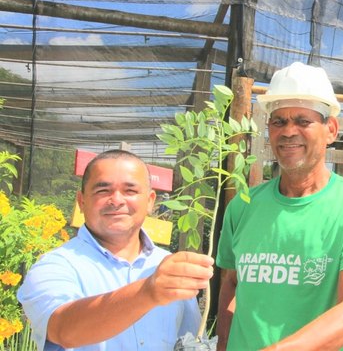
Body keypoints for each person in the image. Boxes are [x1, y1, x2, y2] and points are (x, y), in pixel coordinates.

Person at [216, 62, 343, 350]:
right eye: (278, 121)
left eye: (303, 121)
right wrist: (223, 344)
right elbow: (232, 284)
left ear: (331, 129)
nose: (288, 131)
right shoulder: (243, 205)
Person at [18, 149, 214, 351]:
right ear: (82, 201)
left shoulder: (169, 268)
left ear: (150, 201)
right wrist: (148, 292)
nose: (117, 200)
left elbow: (190, 341)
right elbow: (62, 330)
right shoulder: (56, 266)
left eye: (130, 191)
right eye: (103, 190)